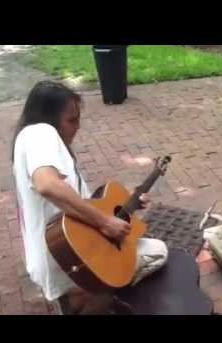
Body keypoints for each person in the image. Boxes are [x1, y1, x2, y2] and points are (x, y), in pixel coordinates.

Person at [12, 81, 168, 314]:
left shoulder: (28, 139)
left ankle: (88, 296)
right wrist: (105, 222)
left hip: (63, 250)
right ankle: (91, 294)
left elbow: (82, 201)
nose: (78, 127)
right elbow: (46, 184)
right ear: (49, 118)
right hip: (69, 254)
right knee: (158, 250)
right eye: (72, 120)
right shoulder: (40, 132)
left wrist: (131, 202)